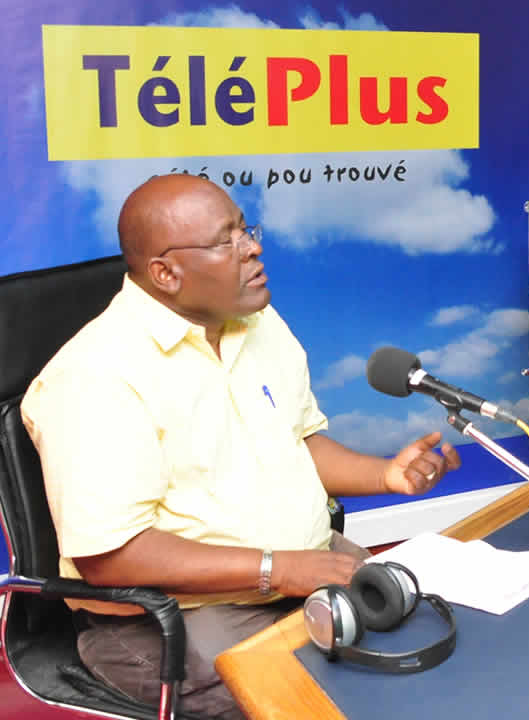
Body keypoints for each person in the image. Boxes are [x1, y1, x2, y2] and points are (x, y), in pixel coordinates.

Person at [21, 174, 462, 719]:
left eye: (245, 230)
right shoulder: (93, 377)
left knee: (433, 640)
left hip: (300, 568)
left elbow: (298, 443)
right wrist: (278, 569)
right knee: (336, 701)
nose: (252, 248)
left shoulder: (257, 322)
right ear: (165, 273)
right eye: (224, 241)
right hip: (174, 617)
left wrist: (384, 475)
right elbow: (111, 556)